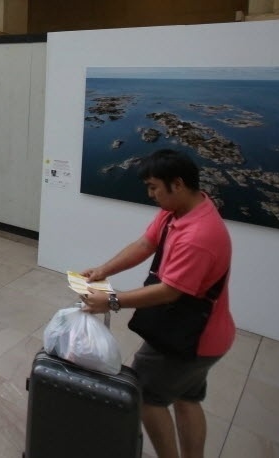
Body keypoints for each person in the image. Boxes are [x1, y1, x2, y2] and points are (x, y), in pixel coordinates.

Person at [80, 149, 233, 458]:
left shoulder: (199, 236)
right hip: (205, 334)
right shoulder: (179, 210)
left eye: (153, 187)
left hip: (191, 340)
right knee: (187, 398)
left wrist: (111, 301)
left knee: (146, 397)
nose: (150, 194)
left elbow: (168, 292)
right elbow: (145, 244)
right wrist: (104, 270)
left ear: (177, 184)